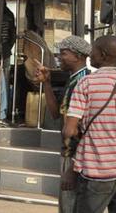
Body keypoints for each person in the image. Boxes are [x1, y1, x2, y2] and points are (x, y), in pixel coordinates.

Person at [64, 35, 116, 213]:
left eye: (92, 51)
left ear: (101, 55)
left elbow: (69, 131)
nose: (90, 55)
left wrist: (71, 167)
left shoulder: (85, 84)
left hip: (96, 172)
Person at [34, 35, 91, 213]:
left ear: (78, 56)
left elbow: (80, 129)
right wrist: (47, 83)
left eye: (63, 53)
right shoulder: (73, 79)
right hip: (69, 155)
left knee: (71, 206)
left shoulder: (84, 81)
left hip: (76, 157)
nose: (59, 57)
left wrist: (73, 165)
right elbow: (55, 113)